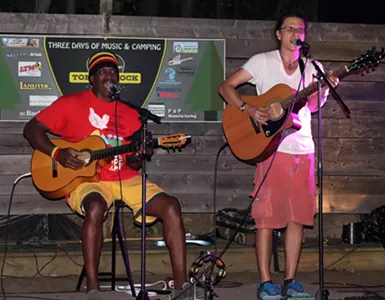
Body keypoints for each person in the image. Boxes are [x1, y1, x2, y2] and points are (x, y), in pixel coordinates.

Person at [23, 51, 191, 300]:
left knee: (171, 206)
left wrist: (140, 154)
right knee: (95, 206)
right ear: (91, 79)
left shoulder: (131, 114)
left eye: (113, 72)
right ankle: (93, 289)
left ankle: (181, 286)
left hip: (123, 177)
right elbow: (31, 129)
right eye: (103, 72)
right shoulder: (70, 104)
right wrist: (58, 153)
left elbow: (132, 164)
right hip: (85, 179)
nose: (109, 76)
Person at [218, 12, 339, 300]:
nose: (295, 32)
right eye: (289, 28)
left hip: (303, 150)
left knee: (298, 218)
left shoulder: (313, 68)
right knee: (267, 218)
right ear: (278, 34)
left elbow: (310, 107)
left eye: (300, 29)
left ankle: (290, 281)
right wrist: (248, 109)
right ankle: (264, 282)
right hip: (273, 150)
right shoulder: (262, 62)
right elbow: (226, 87)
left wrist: (325, 90)